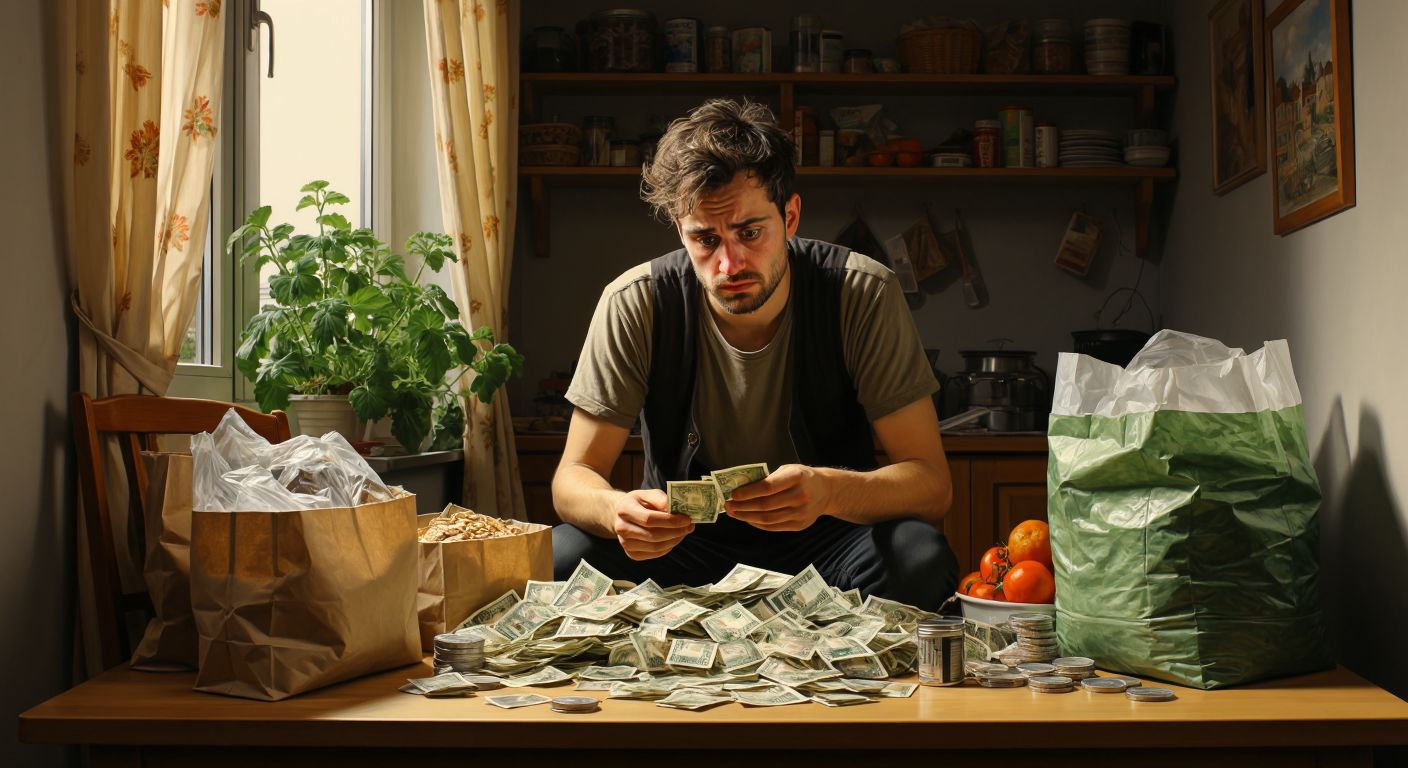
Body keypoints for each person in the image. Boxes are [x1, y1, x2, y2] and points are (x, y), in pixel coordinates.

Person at [550, 99, 958, 609]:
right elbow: (572, 479)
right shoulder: (636, 302)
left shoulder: (861, 292)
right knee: (563, 554)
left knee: (919, 557)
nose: (729, 262)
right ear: (680, 230)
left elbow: (931, 485)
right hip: (682, 544)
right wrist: (616, 510)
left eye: (750, 232)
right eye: (705, 239)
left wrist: (829, 491)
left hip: (828, 542)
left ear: (790, 217)